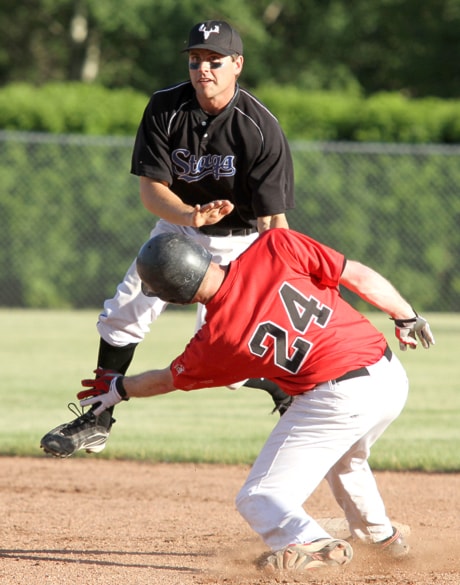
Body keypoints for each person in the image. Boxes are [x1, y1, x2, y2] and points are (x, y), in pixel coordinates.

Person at [75, 229, 434, 574]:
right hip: (389, 376)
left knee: (259, 496)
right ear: (204, 257)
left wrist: (119, 387)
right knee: (345, 460)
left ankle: (313, 544)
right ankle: (382, 539)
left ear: (175, 295)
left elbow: (168, 379)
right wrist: (406, 316)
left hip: (337, 398)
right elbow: (355, 274)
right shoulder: (276, 246)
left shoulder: (217, 340)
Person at [40, 20, 295, 458]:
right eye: (196, 60)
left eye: (215, 61)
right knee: (123, 313)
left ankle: (287, 389)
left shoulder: (259, 127)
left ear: (237, 64)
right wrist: (189, 216)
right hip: (179, 228)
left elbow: (274, 220)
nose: (204, 70)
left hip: (242, 241)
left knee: (228, 356)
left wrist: (285, 274)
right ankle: (98, 417)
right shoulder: (164, 108)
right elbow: (151, 190)